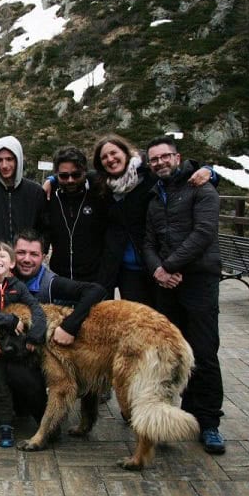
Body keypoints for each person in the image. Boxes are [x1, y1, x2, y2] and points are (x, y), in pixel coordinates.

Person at [0, 229, 108, 431]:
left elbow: (95, 291)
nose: (27, 259)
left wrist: (68, 326)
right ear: (12, 256)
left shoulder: (51, 283)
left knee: (18, 373)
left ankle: (47, 425)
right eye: (21, 253)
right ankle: (18, 405)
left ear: (43, 257)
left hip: (35, 364)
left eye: (34, 254)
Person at [142, 135, 226, 455]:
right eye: (154, 159)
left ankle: (208, 423)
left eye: (165, 157)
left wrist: (170, 266)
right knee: (168, 355)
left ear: (177, 157)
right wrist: (158, 271)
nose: (160, 162)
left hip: (199, 281)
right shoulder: (154, 197)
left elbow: (204, 233)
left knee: (203, 353)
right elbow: (147, 240)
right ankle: (171, 419)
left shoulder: (201, 187)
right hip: (167, 284)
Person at [89, 134, 213, 306]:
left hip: (158, 264)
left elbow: (184, 172)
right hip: (127, 270)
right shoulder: (102, 185)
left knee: (164, 319)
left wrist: (210, 171)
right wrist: (51, 179)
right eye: (104, 157)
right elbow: (72, 174)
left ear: (125, 152)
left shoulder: (149, 176)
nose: (110, 159)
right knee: (138, 322)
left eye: (113, 153)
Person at [0, 241, 47, 448]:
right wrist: (11, 321)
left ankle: (6, 425)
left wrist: (35, 336)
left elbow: (35, 308)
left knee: (1, 385)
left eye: (2, 256)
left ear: (12, 263)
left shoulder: (18, 286)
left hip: (6, 350)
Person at [0, 136, 46, 259]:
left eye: (9, 159)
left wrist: (35, 254)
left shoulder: (35, 192)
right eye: (0, 160)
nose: (4, 165)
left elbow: (45, 229)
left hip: (27, 267)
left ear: (18, 160)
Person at [44, 146, 110, 285]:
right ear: (56, 174)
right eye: (63, 176)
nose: (70, 180)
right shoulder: (49, 198)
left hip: (94, 280)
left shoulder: (99, 193)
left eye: (76, 175)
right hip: (59, 279)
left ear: (85, 172)